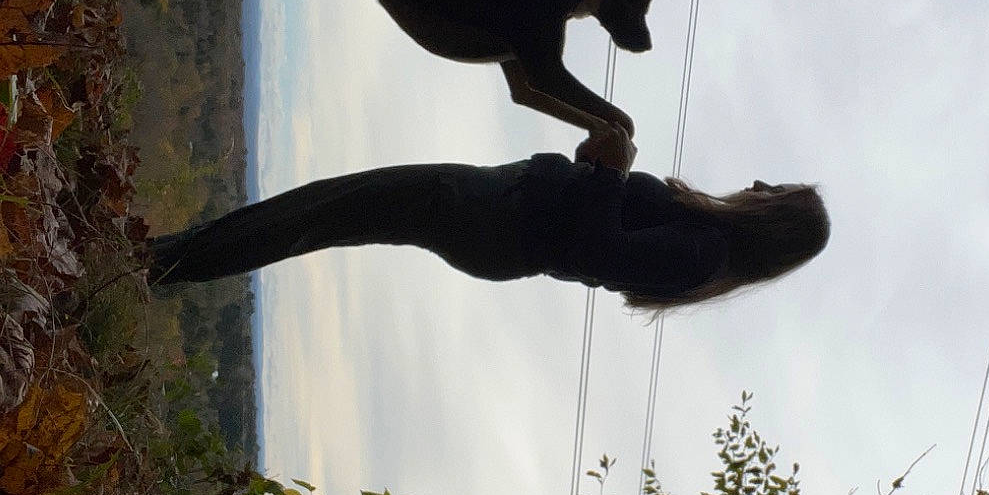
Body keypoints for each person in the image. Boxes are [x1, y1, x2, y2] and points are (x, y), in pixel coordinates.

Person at [147, 152, 828, 311]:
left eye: (777, 194)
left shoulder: (705, 252)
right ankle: (165, 259)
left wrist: (607, 170)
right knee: (324, 212)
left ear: (775, 219)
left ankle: (159, 264)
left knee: (321, 213)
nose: (762, 186)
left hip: (495, 217)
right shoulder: (704, 245)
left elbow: (598, 250)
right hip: (498, 218)